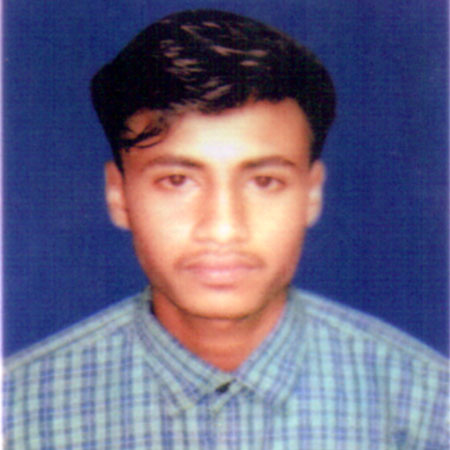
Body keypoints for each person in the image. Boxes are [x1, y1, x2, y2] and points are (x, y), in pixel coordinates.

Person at [4, 9, 448, 449]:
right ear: (118, 195)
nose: (222, 228)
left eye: (265, 181)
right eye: (176, 180)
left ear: (311, 194)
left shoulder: (430, 410)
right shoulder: (17, 415)